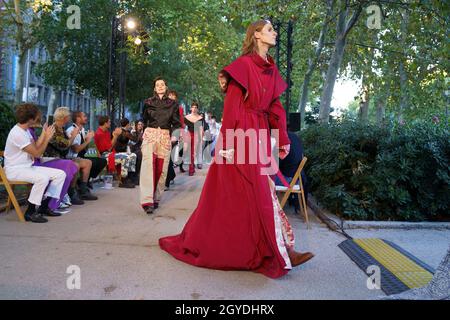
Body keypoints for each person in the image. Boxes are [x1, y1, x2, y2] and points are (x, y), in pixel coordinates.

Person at [159, 20, 314, 279]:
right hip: (243, 135)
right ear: (256, 35)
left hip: (260, 135)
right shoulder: (241, 66)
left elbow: (276, 108)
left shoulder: (271, 70)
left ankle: (275, 249)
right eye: (269, 30)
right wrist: (228, 145)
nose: (274, 33)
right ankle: (282, 251)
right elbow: (231, 108)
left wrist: (283, 138)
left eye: (274, 30)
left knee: (255, 195)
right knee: (258, 194)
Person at [3, 103, 66, 223]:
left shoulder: (25, 130)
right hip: (14, 170)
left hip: (27, 167)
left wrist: (44, 133)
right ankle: (30, 212)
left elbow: (35, 146)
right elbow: (37, 154)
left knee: (60, 174)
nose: (38, 119)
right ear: (31, 119)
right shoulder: (17, 133)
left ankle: (44, 207)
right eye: (37, 117)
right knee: (42, 179)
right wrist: (47, 138)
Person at [140, 77, 181, 214]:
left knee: (162, 169)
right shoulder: (147, 102)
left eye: (162, 84)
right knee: (147, 167)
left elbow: (176, 122)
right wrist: (142, 129)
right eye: (157, 85)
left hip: (164, 135)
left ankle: (155, 198)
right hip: (150, 134)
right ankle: (147, 201)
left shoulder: (173, 104)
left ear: (166, 86)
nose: (160, 86)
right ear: (154, 88)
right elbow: (143, 119)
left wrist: (175, 135)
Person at [45, 107, 98, 203]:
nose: (69, 117)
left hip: (64, 157)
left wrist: (84, 140)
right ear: (64, 117)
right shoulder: (53, 129)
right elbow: (64, 146)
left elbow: (70, 146)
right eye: (68, 116)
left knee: (88, 162)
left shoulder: (62, 128)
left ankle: (83, 190)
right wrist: (75, 136)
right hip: (53, 159)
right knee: (75, 165)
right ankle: (71, 192)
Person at [94, 115, 137, 188]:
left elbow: (111, 146)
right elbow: (109, 149)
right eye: (109, 122)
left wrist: (115, 136)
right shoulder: (99, 133)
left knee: (133, 155)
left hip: (111, 153)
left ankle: (129, 177)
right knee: (126, 157)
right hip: (104, 155)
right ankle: (123, 180)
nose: (110, 123)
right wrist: (116, 136)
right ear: (105, 123)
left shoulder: (106, 132)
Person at [67, 111, 107, 188]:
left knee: (102, 161)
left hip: (83, 155)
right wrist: (88, 140)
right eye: (84, 116)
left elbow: (85, 147)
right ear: (78, 119)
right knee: (93, 161)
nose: (86, 118)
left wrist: (88, 140)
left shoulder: (82, 129)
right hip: (74, 156)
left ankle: (86, 180)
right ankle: (82, 185)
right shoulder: (71, 130)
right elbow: (76, 149)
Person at [114, 118, 140, 185]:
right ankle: (130, 177)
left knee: (134, 154)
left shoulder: (118, 130)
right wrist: (136, 131)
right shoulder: (126, 133)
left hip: (118, 150)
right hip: (121, 151)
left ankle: (130, 177)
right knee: (136, 155)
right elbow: (135, 140)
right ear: (128, 124)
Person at [184, 102, 206, 175]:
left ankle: (191, 168)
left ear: (197, 109)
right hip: (188, 135)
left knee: (194, 152)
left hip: (196, 135)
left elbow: (200, 128)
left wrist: (201, 139)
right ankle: (191, 167)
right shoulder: (186, 117)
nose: (194, 108)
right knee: (188, 152)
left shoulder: (200, 118)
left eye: (195, 107)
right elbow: (184, 128)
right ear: (190, 108)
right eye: (193, 107)